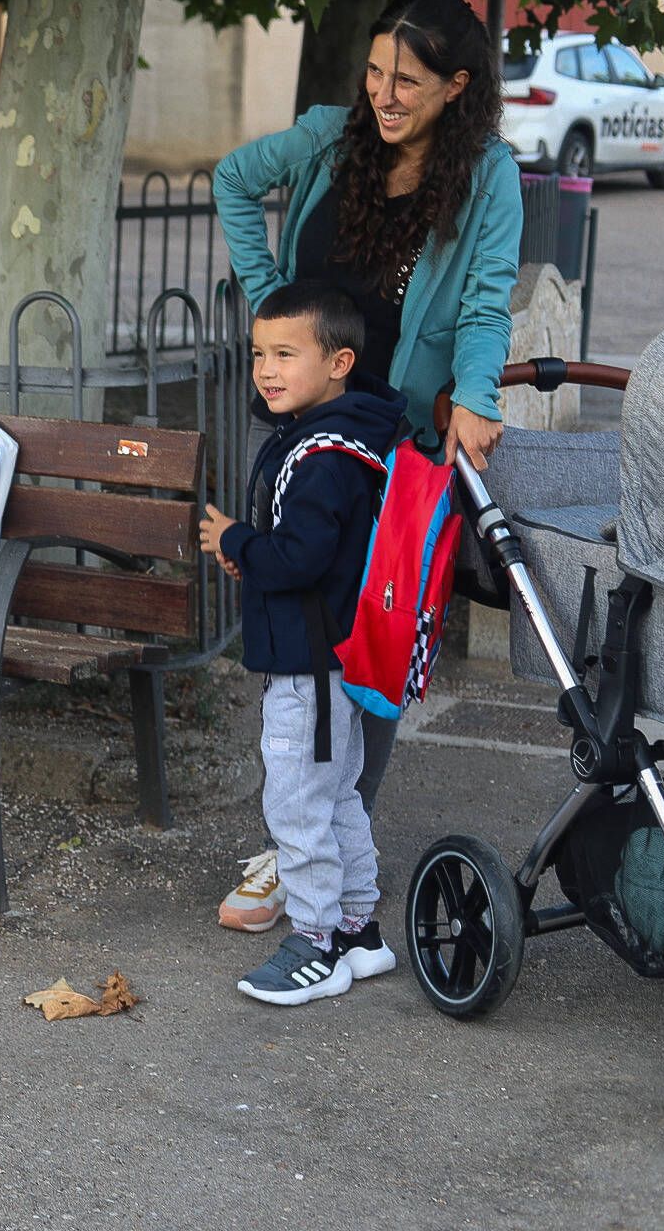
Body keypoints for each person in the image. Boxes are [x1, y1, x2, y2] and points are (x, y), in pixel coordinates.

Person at [210, 0, 520, 931]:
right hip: (303, 430)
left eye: (409, 82)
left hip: (393, 448)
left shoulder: (484, 176)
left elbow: (484, 301)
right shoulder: (327, 137)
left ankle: (326, 849)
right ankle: (303, 834)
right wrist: (271, 314)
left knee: (370, 645)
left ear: (458, 87)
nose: (384, 96)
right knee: (294, 624)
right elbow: (231, 178)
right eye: (377, 72)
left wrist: (475, 397)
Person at [199, 282, 406, 1004]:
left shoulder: (321, 456)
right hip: (335, 655)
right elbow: (309, 551)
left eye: (287, 353)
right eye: (259, 353)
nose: (266, 369)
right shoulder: (344, 438)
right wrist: (257, 550)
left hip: (307, 664)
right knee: (336, 792)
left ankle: (314, 941)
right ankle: (358, 929)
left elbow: (300, 559)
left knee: (296, 802)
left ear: (340, 361)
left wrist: (240, 541)